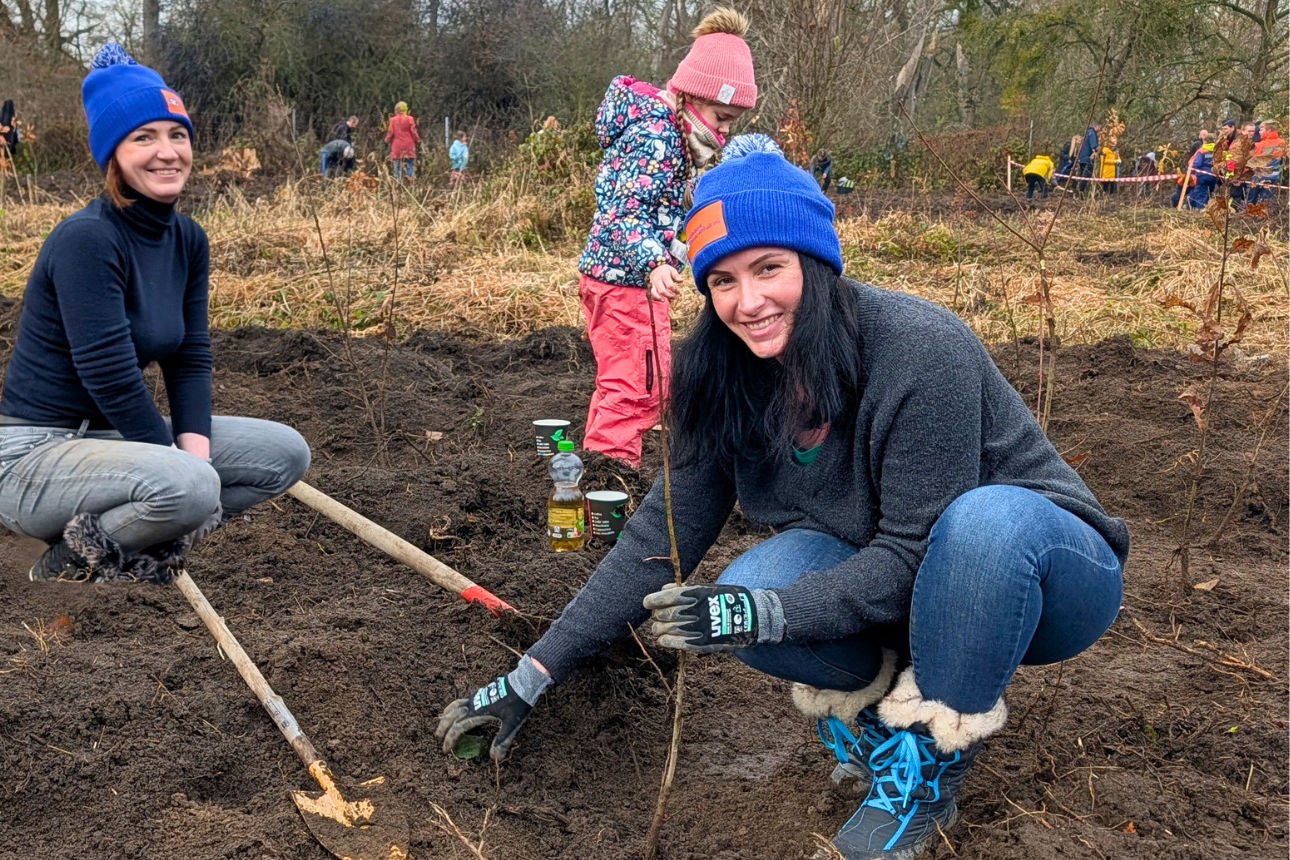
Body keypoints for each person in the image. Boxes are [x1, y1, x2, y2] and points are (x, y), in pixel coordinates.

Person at [436, 136, 1128, 860]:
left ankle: (926, 761)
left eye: (769, 268)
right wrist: (531, 677)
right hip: (912, 591)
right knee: (754, 580)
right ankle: (877, 727)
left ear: (817, 264)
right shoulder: (729, 379)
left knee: (979, 523)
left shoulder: (921, 350)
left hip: (1042, 581)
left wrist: (768, 616)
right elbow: (656, 542)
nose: (749, 301)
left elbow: (913, 548)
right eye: (724, 280)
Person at [0, 44, 311, 584]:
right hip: (32, 456)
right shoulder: (87, 239)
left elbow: (190, 356)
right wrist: (184, 468)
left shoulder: (188, 239)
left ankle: (126, 541)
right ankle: (66, 568)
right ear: (113, 154)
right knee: (189, 485)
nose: (167, 152)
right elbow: (108, 372)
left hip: (107, 443)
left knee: (284, 454)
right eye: (143, 137)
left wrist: (195, 449)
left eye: (177, 134)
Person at [574, 6, 757, 468]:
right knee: (638, 389)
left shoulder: (670, 136)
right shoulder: (657, 136)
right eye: (721, 116)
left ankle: (602, 472)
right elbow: (622, 213)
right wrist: (655, 261)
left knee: (627, 382)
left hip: (619, 278)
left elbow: (655, 204)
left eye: (732, 121)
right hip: (627, 283)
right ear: (691, 98)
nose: (723, 130)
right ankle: (612, 486)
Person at [1246, 119, 1284, 207]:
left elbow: (1254, 162)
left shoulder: (1260, 145)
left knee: (1251, 200)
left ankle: (1249, 218)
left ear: (1269, 131)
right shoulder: (1282, 142)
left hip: (1258, 177)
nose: (1259, 132)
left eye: (1261, 129)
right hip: (1274, 176)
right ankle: (1260, 219)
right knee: (1264, 202)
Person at [384, 101, 419, 180]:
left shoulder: (393, 120)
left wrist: (386, 140)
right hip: (408, 145)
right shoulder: (410, 119)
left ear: (396, 109)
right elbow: (413, 132)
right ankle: (410, 182)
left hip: (397, 146)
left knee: (397, 166)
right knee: (409, 165)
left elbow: (390, 133)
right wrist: (418, 140)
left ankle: (398, 184)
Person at [1076, 123, 1100, 193]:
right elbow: (1094, 146)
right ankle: (1080, 190)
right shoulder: (1092, 133)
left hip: (1082, 157)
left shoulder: (1086, 132)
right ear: (1097, 126)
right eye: (1099, 127)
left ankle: (1079, 190)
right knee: (1087, 174)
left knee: (1082, 174)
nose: (1100, 129)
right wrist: (1098, 150)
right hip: (1088, 158)